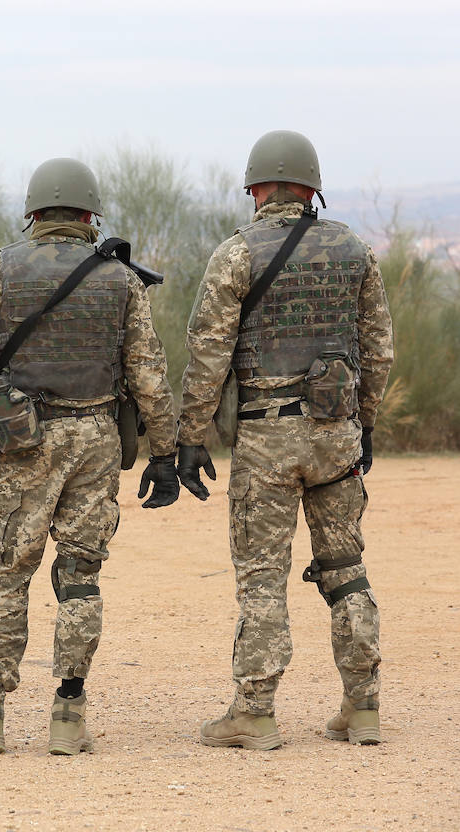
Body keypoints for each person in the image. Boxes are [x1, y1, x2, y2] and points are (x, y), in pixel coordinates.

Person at [0, 158, 179, 755]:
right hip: (97, 440)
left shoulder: (0, 270)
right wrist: (165, 453)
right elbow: (150, 377)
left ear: (34, 212)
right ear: (91, 214)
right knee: (80, 579)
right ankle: (69, 718)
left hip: (24, 444)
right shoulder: (121, 281)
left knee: (5, 577)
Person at [177, 130, 394, 749]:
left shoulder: (236, 254)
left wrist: (193, 437)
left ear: (258, 188)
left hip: (267, 440)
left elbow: (209, 352)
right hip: (337, 435)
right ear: (310, 186)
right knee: (346, 567)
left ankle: (254, 711)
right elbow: (378, 350)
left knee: (263, 576)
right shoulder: (355, 250)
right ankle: (363, 705)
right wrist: (366, 423)